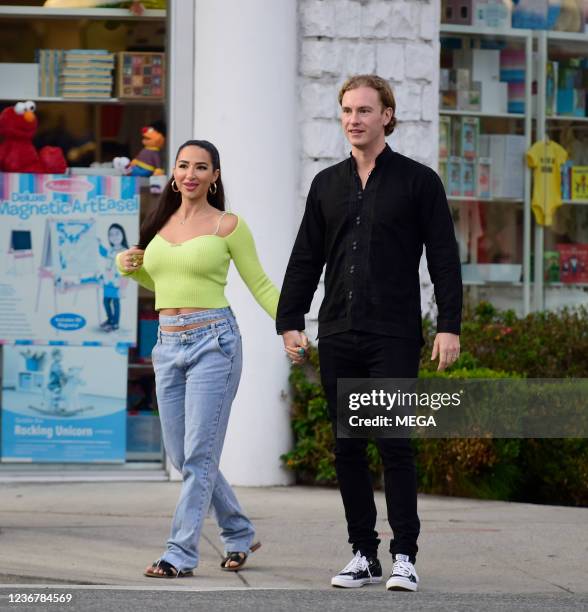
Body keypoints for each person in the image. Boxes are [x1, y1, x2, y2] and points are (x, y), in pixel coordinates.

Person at [276, 75, 462, 592]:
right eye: (346, 110)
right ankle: (363, 552)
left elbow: (444, 258)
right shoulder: (326, 184)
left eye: (364, 110)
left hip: (394, 334)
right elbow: (306, 258)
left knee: (395, 443)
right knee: (348, 447)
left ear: (387, 115)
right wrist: (290, 321)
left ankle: (405, 554)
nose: (354, 119)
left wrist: (450, 324)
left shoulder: (418, 182)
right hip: (338, 330)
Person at [116, 139, 279, 578]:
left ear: (214, 176)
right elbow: (162, 282)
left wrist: (295, 325)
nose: (190, 174)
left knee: (199, 454)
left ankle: (179, 553)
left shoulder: (228, 225)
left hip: (214, 343)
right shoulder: (160, 222)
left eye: (201, 167)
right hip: (167, 344)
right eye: (184, 165)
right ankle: (239, 531)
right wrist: (129, 267)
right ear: (173, 172)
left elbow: (260, 284)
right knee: (183, 454)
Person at [98, 223, 129, 332]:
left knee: (116, 303)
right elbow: (104, 253)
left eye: (117, 233)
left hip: (117, 283)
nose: (114, 236)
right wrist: (99, 244)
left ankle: (115, 323)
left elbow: (126, 270)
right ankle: (110, 320)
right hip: (108, 281)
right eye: (111, 234)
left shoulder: (125, 251)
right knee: (106, 301)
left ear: (123, 235)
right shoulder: (111, 250)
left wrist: (123, 287)